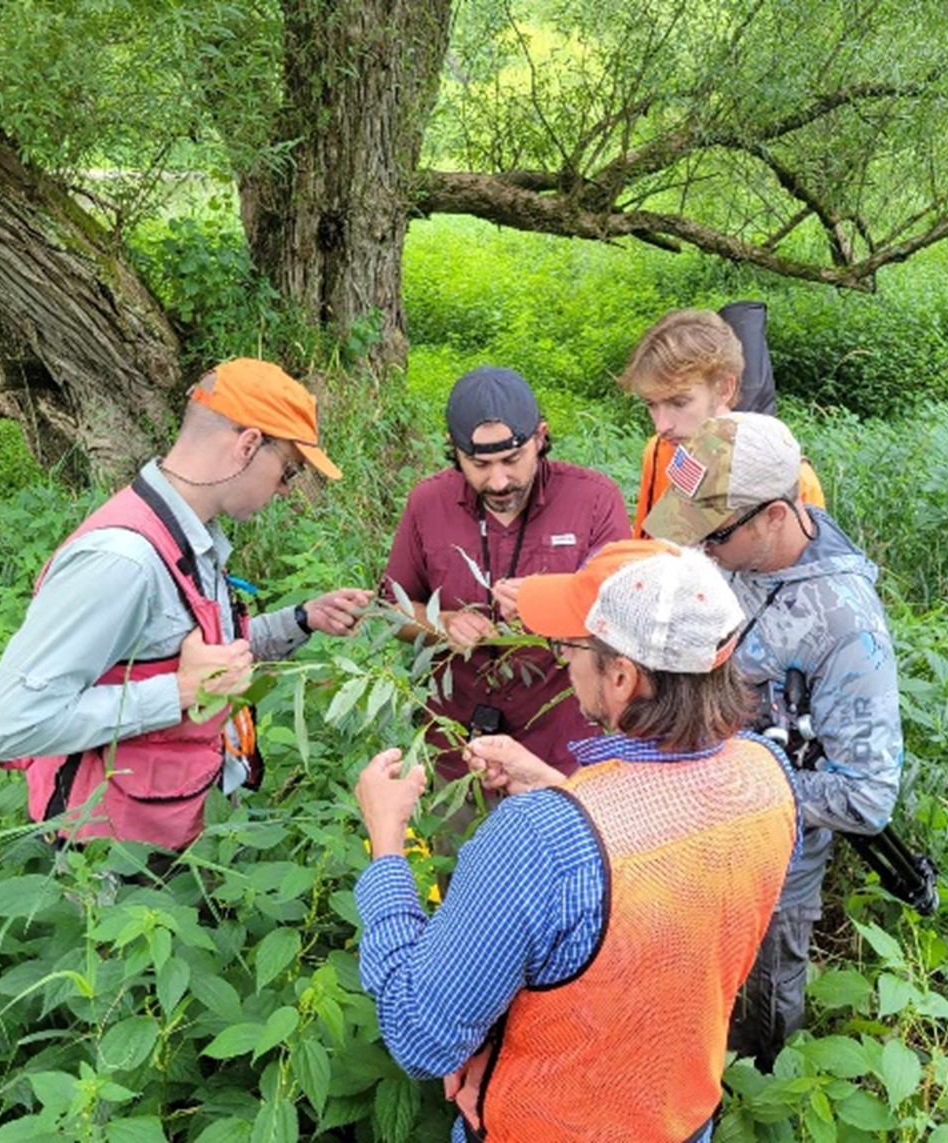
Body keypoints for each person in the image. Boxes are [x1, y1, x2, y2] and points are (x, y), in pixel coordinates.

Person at [354, 539, 798, 1142]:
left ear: (621, 676)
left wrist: (387, 844)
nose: (561, 659)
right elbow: (660, 902)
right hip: (682, 1119)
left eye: (571, 646)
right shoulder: (769, 777)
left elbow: (420, 1034)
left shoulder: (539, 840)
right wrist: (561, 789)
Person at [0, 358, 373, 851]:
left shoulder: (192, 535)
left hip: (176, 828)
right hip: (114, 859)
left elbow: (206, 659)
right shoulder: (123, 563)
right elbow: (10, 726)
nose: (287, 491)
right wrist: (180, 691)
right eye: (288, 471)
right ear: (248, 445)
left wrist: (302, 619)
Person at [642, 412, 904, 1070]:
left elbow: (866, 795)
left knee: (758, 1021)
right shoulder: (730, 554)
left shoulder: (843, 621)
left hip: (769, 868)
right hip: (686, 837)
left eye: (715, 535)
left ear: (776, 515)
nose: (700, 550)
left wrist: (742, 780)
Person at [379, 366, 630, 782]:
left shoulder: (594, 500)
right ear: (453, 450)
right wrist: (442, 623)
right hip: (458, 752)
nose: (498, 481)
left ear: (540, 437)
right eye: (479, 464)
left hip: (562, 751)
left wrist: (552, 604)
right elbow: (393, 606)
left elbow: (624, 613)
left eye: (513, 459)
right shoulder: (428, 503)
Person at [618, 308, 826, 538]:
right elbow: (650, 548)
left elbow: (810, 565)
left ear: (724, 388)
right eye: (651, 404)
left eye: (679, 403)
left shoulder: (792, 477)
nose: (662, 425)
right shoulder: (660, 449)